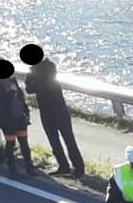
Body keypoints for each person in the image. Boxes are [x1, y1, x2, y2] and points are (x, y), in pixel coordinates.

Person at [19, 44, 85, 177]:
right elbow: (29, 89)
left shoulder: (49, 66)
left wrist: (35, 82)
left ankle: (78, 168)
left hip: (59, 108)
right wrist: (36, 82)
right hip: (45, 110)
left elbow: (44, 83)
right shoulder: (32, 72)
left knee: (69, 139)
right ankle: (63, 166)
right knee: (53, 140)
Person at [0, 58, 32, 177]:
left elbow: (21, 98)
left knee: (24, 142)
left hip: (19, 116)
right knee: (10, 143)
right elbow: (3, 101)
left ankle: (29, 167)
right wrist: (11, 91)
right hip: (6, 119)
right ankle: (11, 169)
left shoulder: (13, 81)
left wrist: (26, 112)